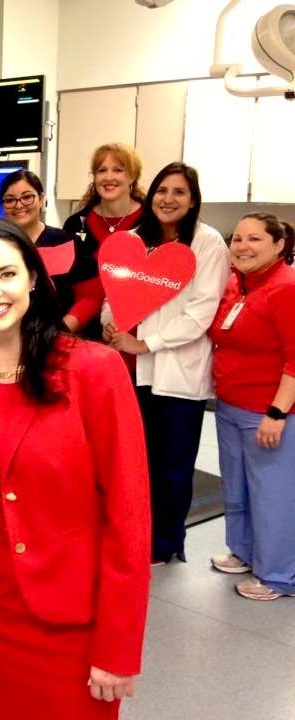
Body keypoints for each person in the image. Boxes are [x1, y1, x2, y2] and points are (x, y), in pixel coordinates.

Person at [0, 217, 151, 719]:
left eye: (6, 274)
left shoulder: (94, 371)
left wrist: (117, 649)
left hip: (71, 619)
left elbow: (130, 518)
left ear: (33, 278)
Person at [102, 163, 230, 565]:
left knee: (174, 464)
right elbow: (113, 291)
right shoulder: (134, 240)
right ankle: (138, 536)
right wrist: (110, 324)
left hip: (178, 373)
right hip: (133, 372)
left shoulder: (208, 244)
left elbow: (201, 313)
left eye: (179, 192)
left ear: (192, 200)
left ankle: (167, 542)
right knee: (138, 462)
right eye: (162, 190)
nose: (168, 199)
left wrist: (145, 344)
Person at [209, 213, 295, 600]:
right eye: (237, 238)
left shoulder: (286, 288)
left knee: (272, 496)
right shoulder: (236, 284)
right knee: (238, 488)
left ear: (279, 245)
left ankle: (279, 576)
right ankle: (243, 551)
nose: (242, 246)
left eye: (255, 239)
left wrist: (277, 413)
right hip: (229, 404)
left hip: (269, 411)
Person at [63, 143, 147, 339]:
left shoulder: (151, 223)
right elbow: (69, 288)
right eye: (102, 170)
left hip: (139, 339)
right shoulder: (75, 225)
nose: (109, 177)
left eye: (118, 170)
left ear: (132, 176)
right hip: (84, 336)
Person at [0, 170, 100, 332]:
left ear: (41, 199)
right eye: (10, 200)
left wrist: (60, 332)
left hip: (62, 341)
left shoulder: (68, 242)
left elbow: (90, 297)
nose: (19, 205)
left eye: (27, 197)